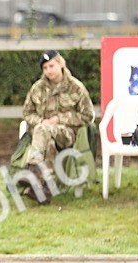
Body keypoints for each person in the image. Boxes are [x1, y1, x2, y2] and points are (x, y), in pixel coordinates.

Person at [19, 49, 95, 202]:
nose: (48, 71)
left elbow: (88, 116)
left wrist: (59, 119)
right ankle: (44, 191)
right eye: (45, 68)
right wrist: (41, 122)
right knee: (48, 142)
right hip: (42, 136)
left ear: (61, 64)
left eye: (51, 66)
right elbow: (27, 113)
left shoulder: (76, 87)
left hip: (67, 134)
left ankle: (33, 171)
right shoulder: (37, 88)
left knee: (43, 130)